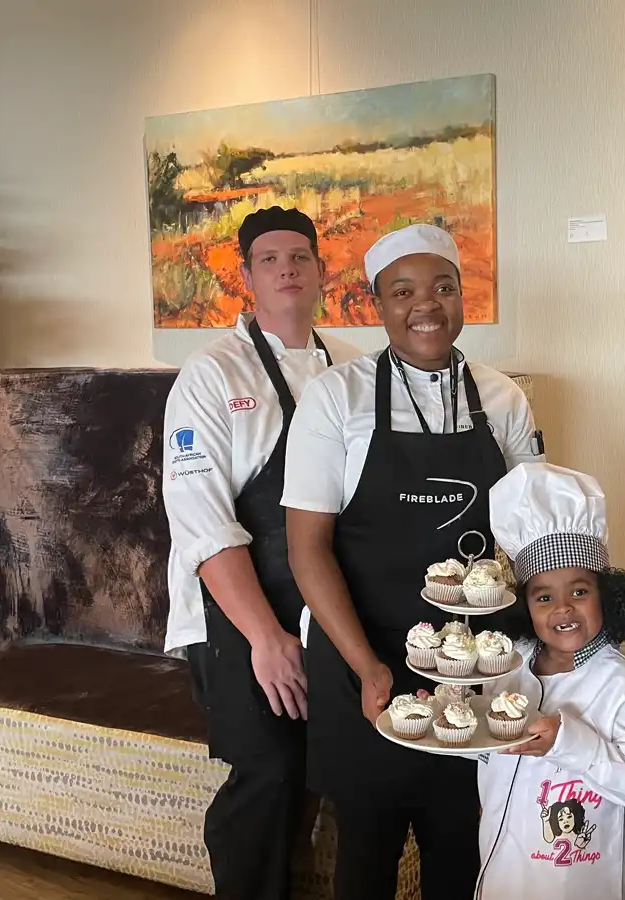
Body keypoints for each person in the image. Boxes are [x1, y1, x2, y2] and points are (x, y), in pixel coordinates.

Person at [281, 223, 544, 899]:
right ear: (377, 305)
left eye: (442, 287)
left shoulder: (502, 399)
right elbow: (307, 547)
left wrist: (537, 657)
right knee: (366, 849)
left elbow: (534, 537)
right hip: (360, 652)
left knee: (459, 840)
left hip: (471, 662)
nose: (425, 304)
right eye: (403, 291)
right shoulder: (336, 397)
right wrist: (366, 665)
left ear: (462, 296)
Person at [162, 206, 360, 900]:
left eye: (300, 257)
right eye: (269, 260)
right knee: (270, 774)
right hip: (237, 615)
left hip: (327, 606)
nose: (287, 269)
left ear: (321, 271)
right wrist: (266, 639)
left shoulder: (353, 368)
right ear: (246, 278)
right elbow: (202, 521)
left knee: (343, 768)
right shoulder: (211, 375)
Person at [476, 462, 625, 900]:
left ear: (607, 596)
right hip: (506, 860)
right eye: (544, 597)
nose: (563, 608)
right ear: (525, 606)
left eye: (579, 591)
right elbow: (486, 748)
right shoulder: (508, 667)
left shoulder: (621, 683)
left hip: (581, 874)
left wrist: (566, 741)